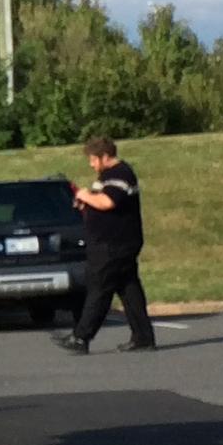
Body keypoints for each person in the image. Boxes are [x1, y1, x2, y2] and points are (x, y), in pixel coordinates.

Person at [63, 134, 155, 353]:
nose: (91, 164)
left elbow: (108, 202)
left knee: (99, 288)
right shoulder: (107, 175)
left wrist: (85, 195)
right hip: (117, 242)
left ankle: (81, 337)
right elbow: (99, 199)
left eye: (93, 159)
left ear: (105, 157)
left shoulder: (120, 174)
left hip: (114, 244)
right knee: (128, 289)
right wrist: (85, 202)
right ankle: (143, 336)